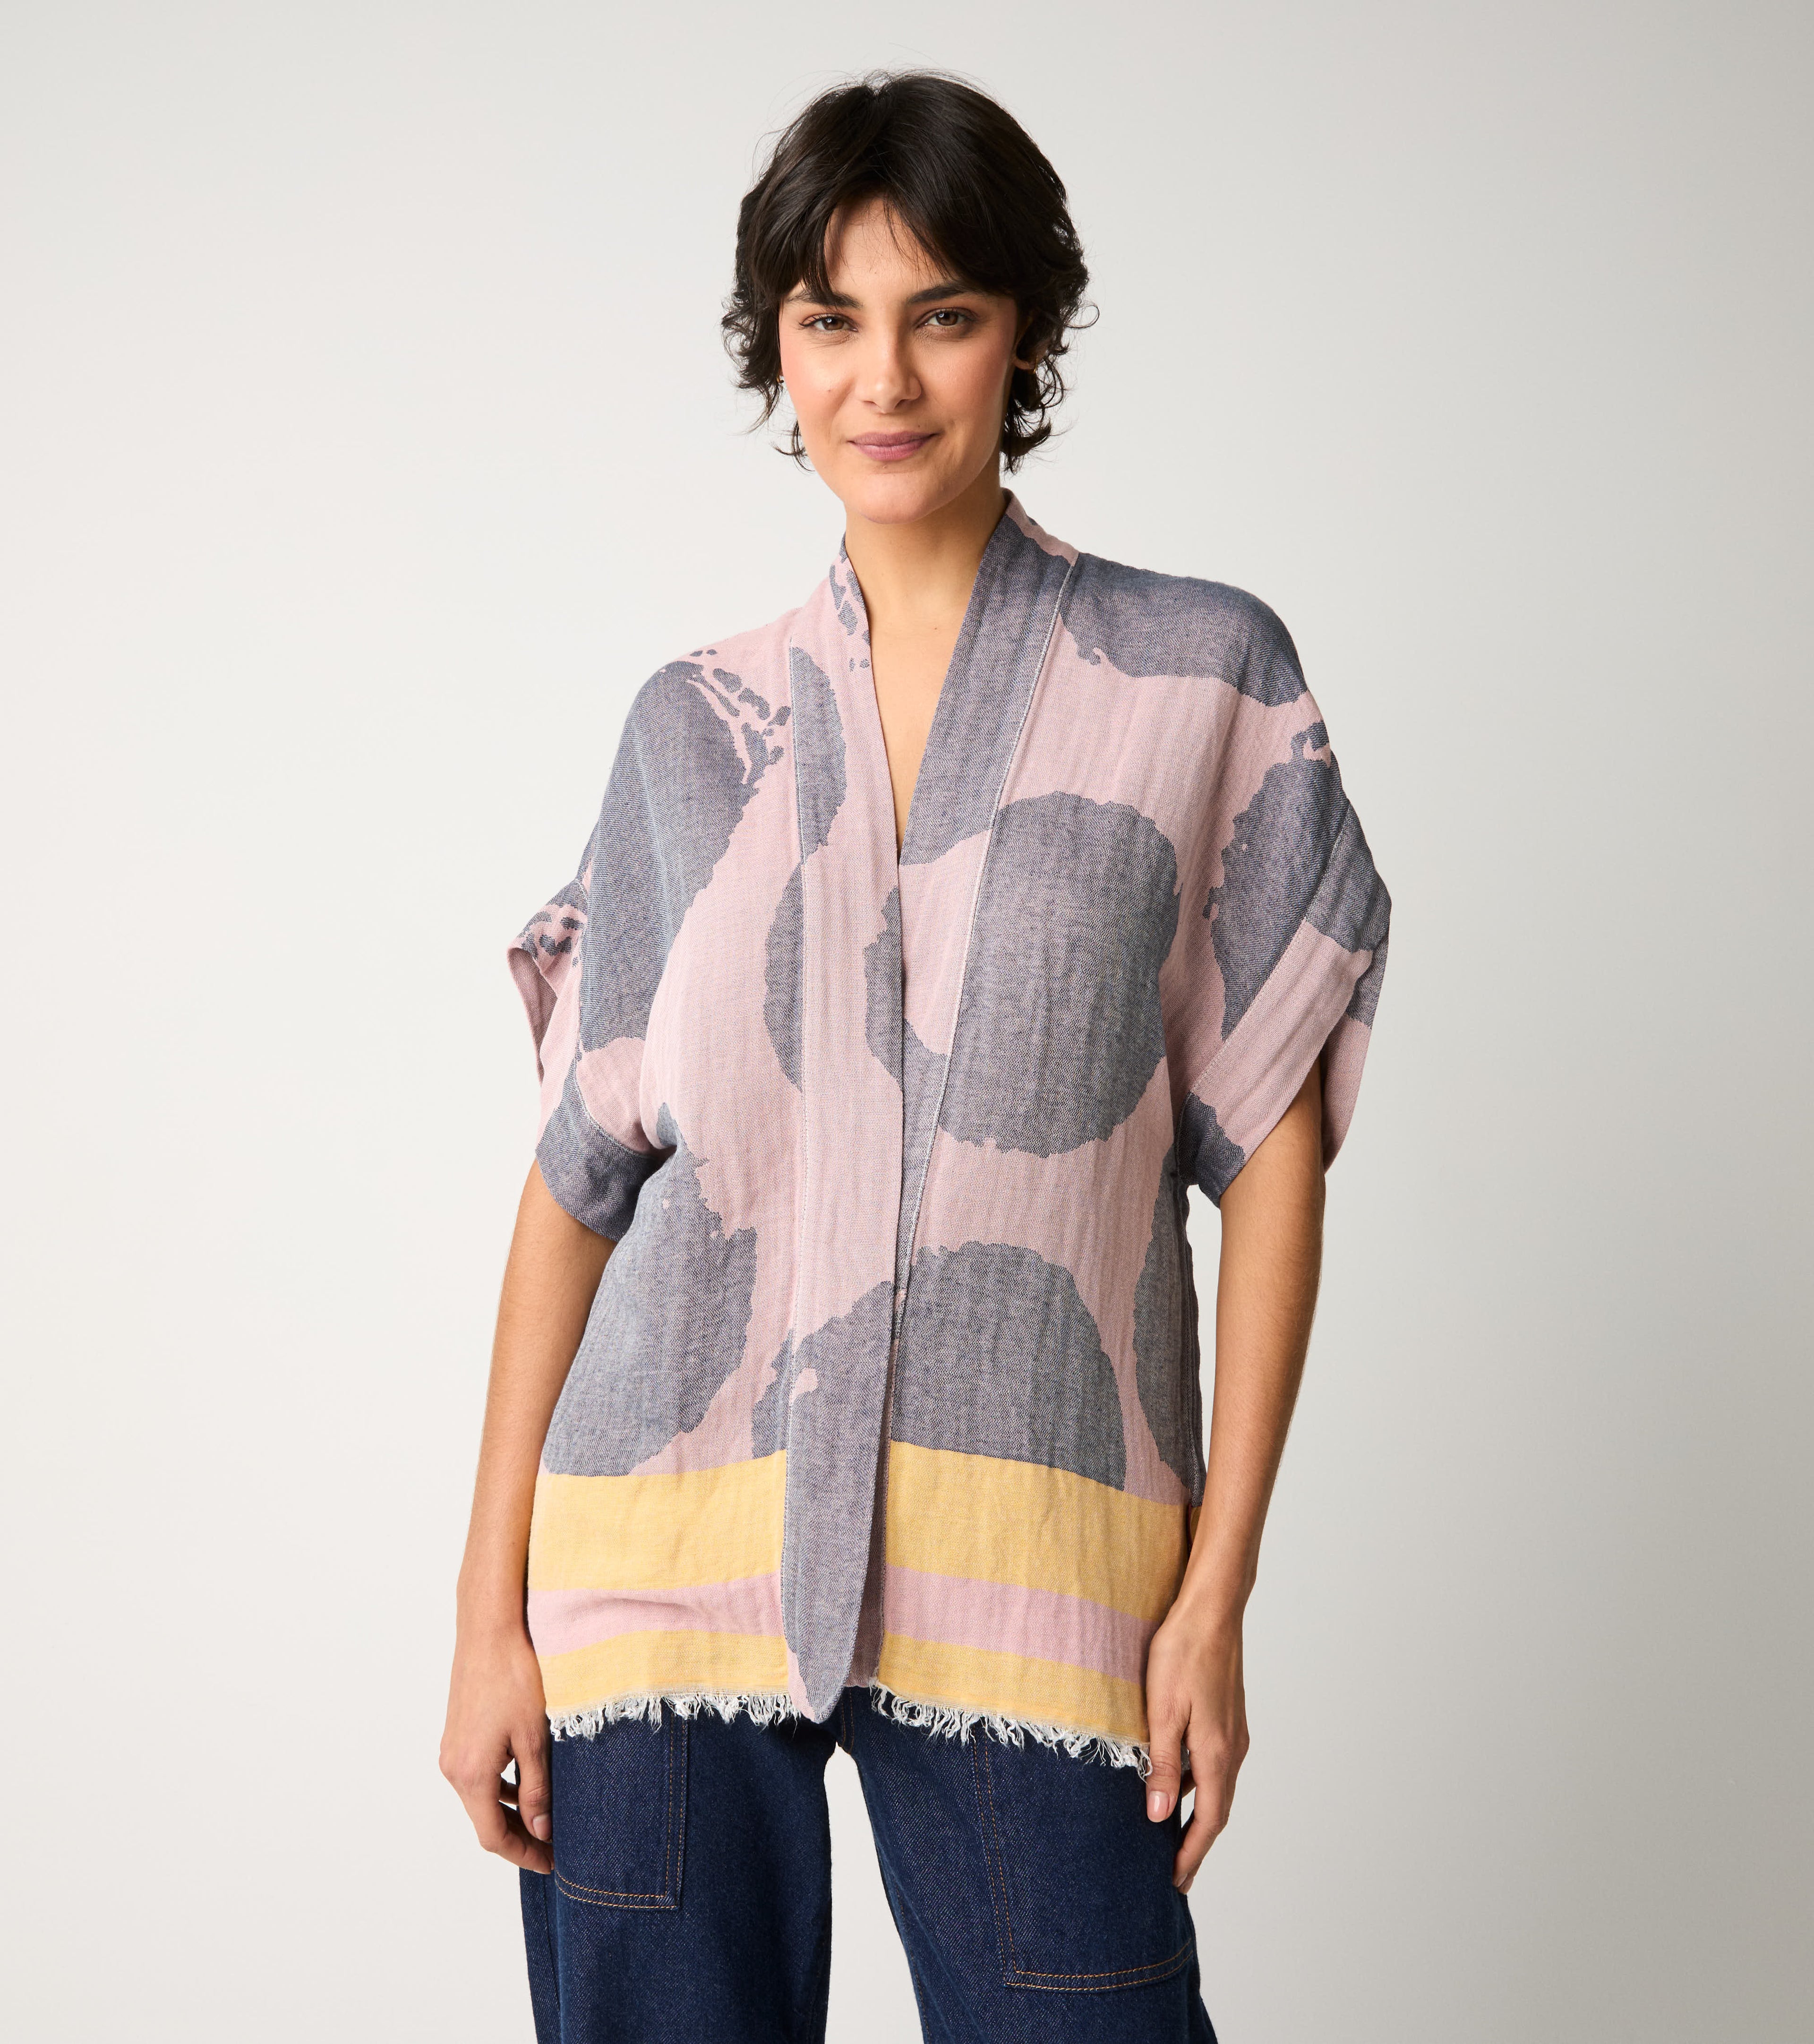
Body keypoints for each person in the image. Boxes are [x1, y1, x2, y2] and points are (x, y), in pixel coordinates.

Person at [441, 69, 1390, 2044]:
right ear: (777, 349)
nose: (883, 378)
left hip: (1039, 1570)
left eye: (941, 313)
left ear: (1023, 332)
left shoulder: (1201, 678)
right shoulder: (691, 726)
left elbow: (1275, 1163)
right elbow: (578, 1186)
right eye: (831, 319)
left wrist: (1216, 1595)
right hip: (657, 1563)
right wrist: (484, 1618)